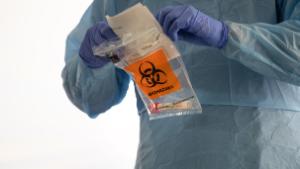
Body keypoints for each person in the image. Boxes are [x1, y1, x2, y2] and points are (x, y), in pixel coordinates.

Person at [62, 0, 300, 168]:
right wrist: (90, 61)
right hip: (169, 155)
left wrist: (227, 35)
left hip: (269, 151)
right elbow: (90, 97)